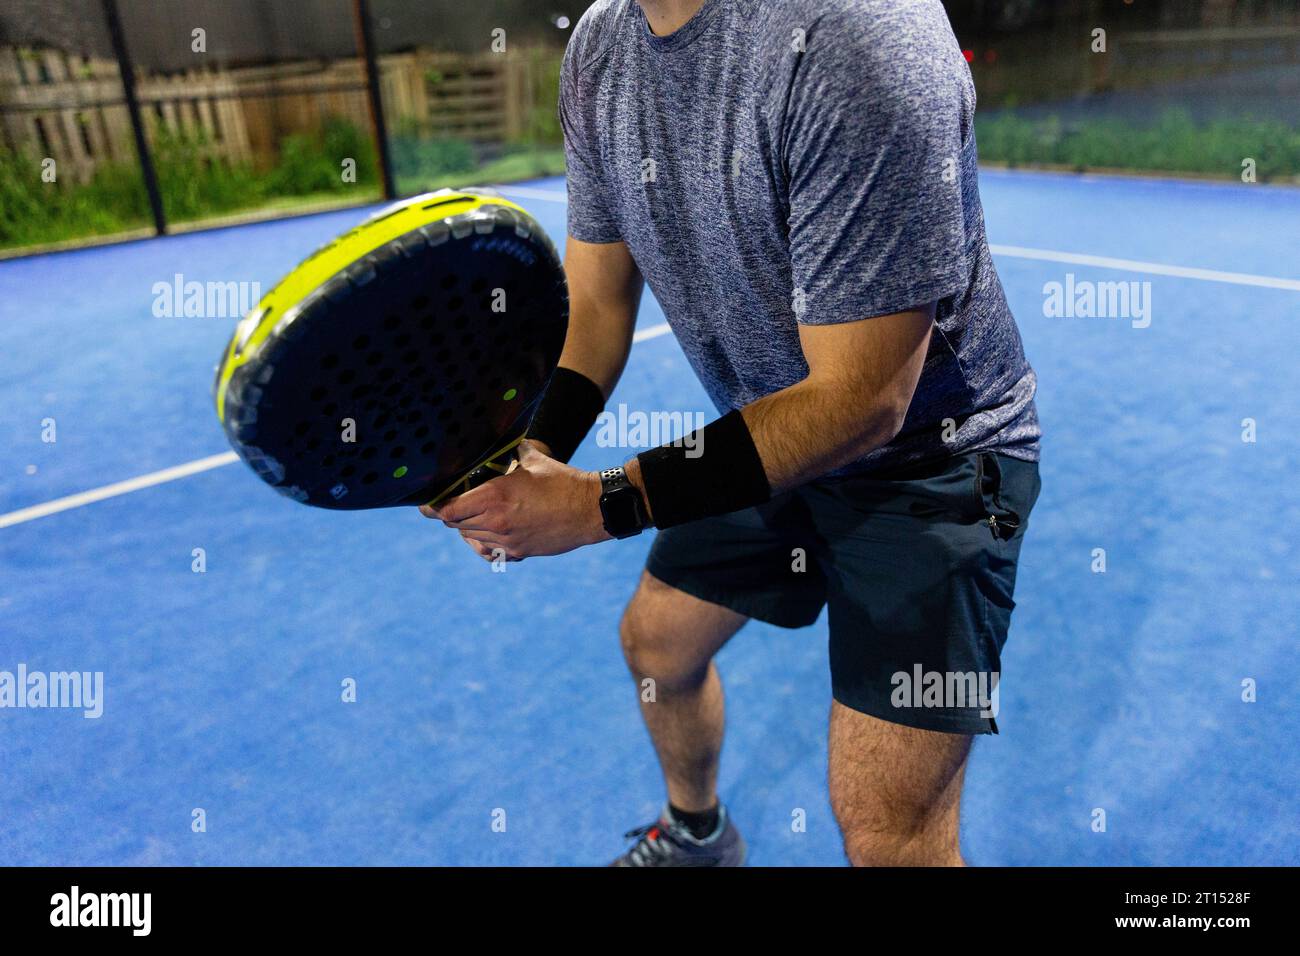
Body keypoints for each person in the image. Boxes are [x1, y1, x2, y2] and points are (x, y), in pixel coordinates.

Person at [421, 0, 1042, 866]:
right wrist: (535, 448)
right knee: (656, 646)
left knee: (889, 832)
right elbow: (596, 300)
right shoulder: (604, 44)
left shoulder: (860, 36)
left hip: (934, 465)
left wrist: (599, 504)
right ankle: (699, 837)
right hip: (772, 431)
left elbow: (864, 401)